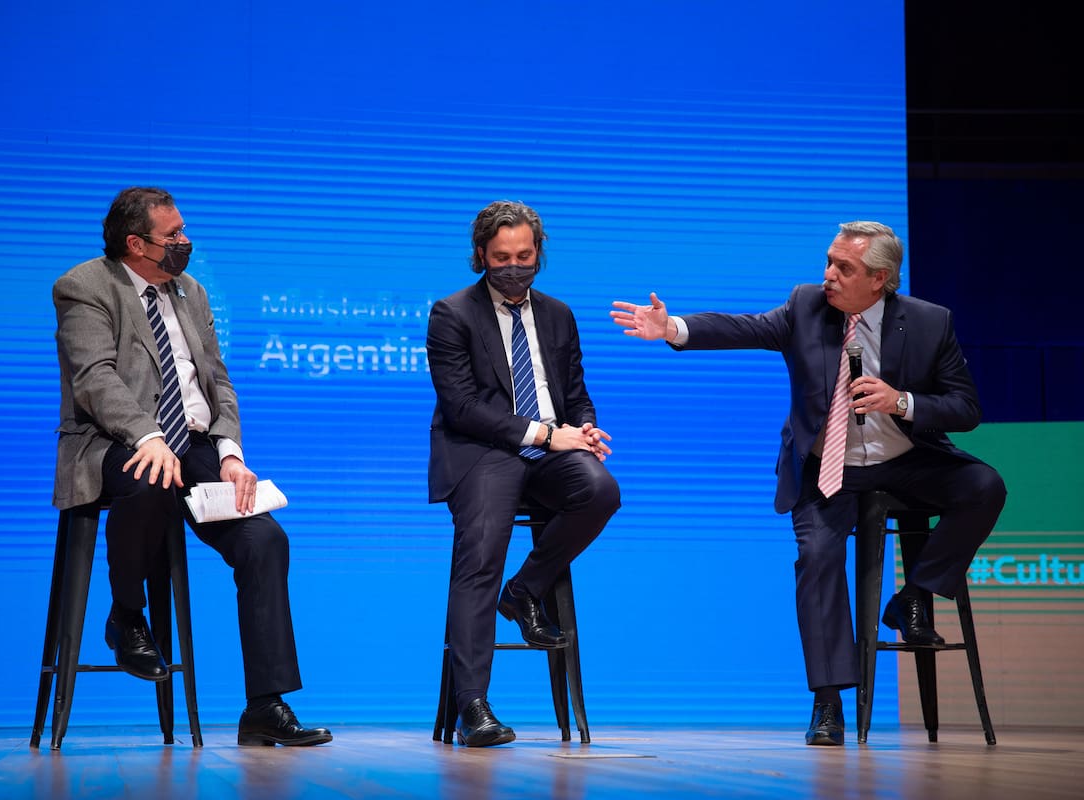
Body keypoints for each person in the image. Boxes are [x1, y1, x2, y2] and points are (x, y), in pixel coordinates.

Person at [611, 220, 1005, 747]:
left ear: (880, 279)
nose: (829, 275)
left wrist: (902, 402)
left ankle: (914, 595)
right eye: (828, 261)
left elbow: (965, 409)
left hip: (904, 457)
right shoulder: (805, 306)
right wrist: (673, 328)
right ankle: (828, 702)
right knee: (817, 558)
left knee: (984, 485)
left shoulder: (930, 324)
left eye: (844, 268)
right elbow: (743, 328)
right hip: (828, 467)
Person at [52, 187, 331, 747]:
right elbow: (95, 379)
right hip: (112, 444)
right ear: (136, 243)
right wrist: (147, 436)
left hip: (197, 448)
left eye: (183, 231)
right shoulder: (84, 287)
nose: (185, 242)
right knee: (151, 479)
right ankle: (128, 616)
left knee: (264, 539)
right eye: (172, 235)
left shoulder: (191, 293)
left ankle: (265, 705)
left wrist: (229, 453)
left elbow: (218, 382)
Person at [426, 200, 621, 747]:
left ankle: (524, 590)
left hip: (552, 450)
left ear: (539, 253)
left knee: (601, 491)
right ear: (481, 256)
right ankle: (474, 706)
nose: (514, 267)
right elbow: (463, 408)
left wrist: (584, 430)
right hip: (482, 450)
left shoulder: (558, 315)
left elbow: (576, 394)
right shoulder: (452, 313)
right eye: (501, 257)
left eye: (524, 255)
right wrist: (542, 434)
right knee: (481, 552)